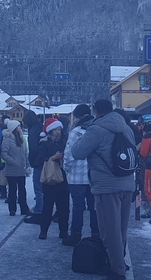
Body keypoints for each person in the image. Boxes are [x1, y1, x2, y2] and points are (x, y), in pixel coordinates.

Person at [72, 99, 136, 280]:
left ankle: (117, 271)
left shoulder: (96, 129)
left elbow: (77, 152)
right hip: (127, 183)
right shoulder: (126, 129)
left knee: (109, 230)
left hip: (107, 187)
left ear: (96, 111)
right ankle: (119, 262)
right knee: (121, 229)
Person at [62, 104, 99, 246]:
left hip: (77, 177)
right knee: (93, 206)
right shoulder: (96, 131)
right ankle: (96, 233)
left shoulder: (76, 132)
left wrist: (67, 169)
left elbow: (69, 154)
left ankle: (76, 234)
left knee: (78, 206)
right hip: (93, 175)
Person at [32, 117, 70, 240]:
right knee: (47, 207)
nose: (58, 132)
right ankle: (44, 231)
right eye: (55, 130)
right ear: (50, 131)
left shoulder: (64, 142)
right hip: (50, 180)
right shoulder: (44, 143)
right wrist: (52, 158)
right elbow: (38, 160)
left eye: (59, 129)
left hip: (63, 179)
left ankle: (63, 231)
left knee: (64, 208)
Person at [1, 119, 32, 217]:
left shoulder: (22, 139)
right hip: (12, 169)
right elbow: (3, 153)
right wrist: (12, 162)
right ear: (14, 128)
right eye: (18, 126)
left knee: (22, 190)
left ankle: (24, 208)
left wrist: (28, 165)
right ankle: (12, 210)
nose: (20, 128)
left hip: (22, 169)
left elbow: (25, 154)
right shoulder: (7, 139)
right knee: (12, 190)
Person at [23, 110, 44, 224]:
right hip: (45, 161)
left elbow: (33, 148)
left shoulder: (33, 131)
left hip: (38, 162)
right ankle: (44, 211)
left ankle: (39, 213)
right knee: (44, 188)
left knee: (38, 188)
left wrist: (31, 161)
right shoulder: (41, 127)